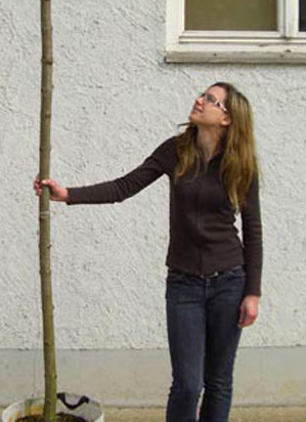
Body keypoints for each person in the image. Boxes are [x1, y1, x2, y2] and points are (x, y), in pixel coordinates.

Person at [34, 82, 262, 422]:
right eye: (203, 94)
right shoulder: (176, 151)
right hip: (184, 285)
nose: (199, 100)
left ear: (227, 119)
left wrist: (252, 292)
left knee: (218, 382)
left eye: (210, 99)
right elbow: (124, 187)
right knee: (187, 384)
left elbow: (254, 230)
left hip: (229, 282)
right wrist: (68, 194)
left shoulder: (240, 164)